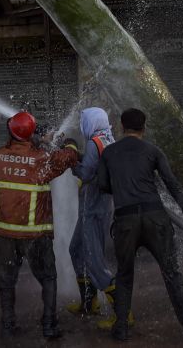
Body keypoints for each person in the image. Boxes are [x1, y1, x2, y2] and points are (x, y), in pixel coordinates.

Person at [96, 108, 183, 342]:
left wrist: (124, 185)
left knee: (124, 276)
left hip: (125, 221)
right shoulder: (153, 151)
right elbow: (172, 184)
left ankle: (121, 329)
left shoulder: (108, 153)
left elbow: (103, 185)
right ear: (144, 128)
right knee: (172, 274)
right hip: (155, 218)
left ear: (121, 126)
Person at [0, 111, 80, 340]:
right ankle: (49, 326)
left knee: (6, 280)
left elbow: (17, 149)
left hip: (5, 233)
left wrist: (37, 139)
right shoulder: (42, 160)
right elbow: (69, 158)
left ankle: (8, 326)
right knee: (48, 277)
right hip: (34, 234)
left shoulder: (0, 155)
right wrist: (67, 142)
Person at [66, 107, 120, 321]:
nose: (82, 124)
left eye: (83, 121)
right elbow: (97, 166)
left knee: (93, 258)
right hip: (100, 205)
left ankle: (123, 313)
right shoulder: (107, 139)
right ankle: (89, 302)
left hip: (93, 206)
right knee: (76, 249)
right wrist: (80, 158)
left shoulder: (92, 142)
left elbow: (86, 173)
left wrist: (72, 163)